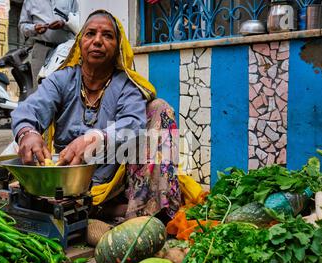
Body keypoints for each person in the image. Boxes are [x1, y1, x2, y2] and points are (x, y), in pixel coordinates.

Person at [11, 10, 203, 228]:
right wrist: (28, 132)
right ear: (80, 43)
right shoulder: (62, 80)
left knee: (159, 109)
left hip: (114, 182)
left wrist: (95, 138)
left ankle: (143, 213)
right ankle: (102, 212)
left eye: (107, 36)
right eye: (90, 34)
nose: (98, 41)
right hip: (67, 181)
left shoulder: (126, 86)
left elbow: (133, 123)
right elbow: (30, 109)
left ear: (118, 48)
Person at [19, 0, 79, 89]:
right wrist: (34, 28)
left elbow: (79, 19)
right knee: (39, 89)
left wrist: (64, 23)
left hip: (66, 50)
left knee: (66, 87)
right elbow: (22, 26)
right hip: (41, 50)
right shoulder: (30, 1)